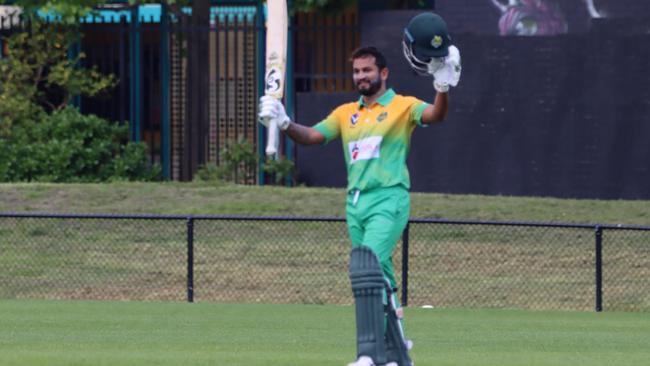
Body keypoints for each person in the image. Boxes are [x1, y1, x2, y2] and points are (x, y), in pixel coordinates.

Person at [258, 12, 461, 366]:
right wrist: (285, 121)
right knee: (378, 272)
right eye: (356, 71)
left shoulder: (402, 106)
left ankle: (370, 353)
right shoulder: (345, 113)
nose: (361, 77)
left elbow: (436, 116)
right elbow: (313, 136)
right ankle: (396, 347)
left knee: (366, 264)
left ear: (383, 73)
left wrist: (442, 86)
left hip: (389, 198)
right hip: (356, 204)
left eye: (367, 70)